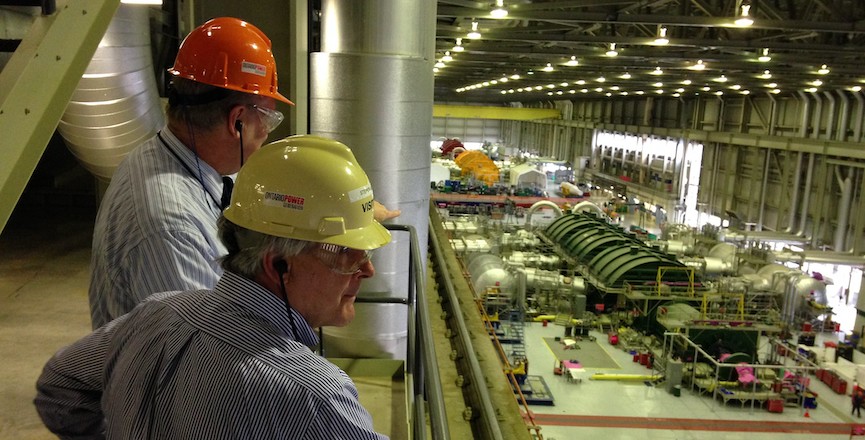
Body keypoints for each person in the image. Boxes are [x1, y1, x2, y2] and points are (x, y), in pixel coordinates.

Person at [36, 135, 391, 439]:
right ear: (277, 264)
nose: (367, 270)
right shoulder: (314, 395)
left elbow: (59, 387)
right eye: (346, 254)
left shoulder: (156, 314)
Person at [89, 17, 398, 329]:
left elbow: (263, 201)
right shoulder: (172, 227)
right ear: (237, 121)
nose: (266, 132)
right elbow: (212, 347)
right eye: (267, 117)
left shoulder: (186, 164)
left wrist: (348, 214)